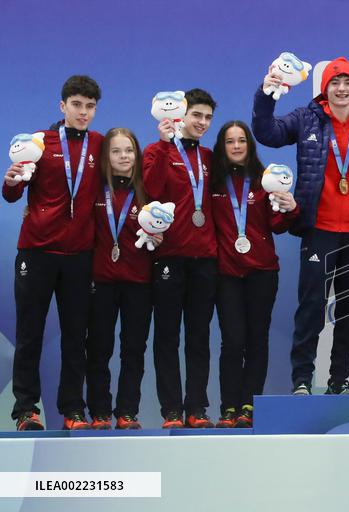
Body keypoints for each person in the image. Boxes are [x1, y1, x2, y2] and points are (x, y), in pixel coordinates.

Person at [253, 57, 349, 396]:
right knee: (311, 309)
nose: (341, 89)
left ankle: (339, 380)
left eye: (347, 83)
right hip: (318, 229)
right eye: (335, 83)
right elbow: (267, 132)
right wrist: (267, 95)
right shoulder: (307, 117)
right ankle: (302, 380)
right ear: (325, 88)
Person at [3, 75, 104, 431]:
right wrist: (12, 180)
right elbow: (12, 194)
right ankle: (26, 410)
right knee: (30, 332)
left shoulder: (99, 144)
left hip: (79, 255)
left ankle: (73, 409)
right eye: (77, 105)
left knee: (77, 336)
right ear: (62, 106)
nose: (83, 112)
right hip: (37, 250)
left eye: (90, 107)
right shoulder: (39, 143)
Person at [210, 121, 298, 427]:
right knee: (232, 341)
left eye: (241, 141)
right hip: (226, 274)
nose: (236, 146)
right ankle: (228, 408)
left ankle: (249, 405)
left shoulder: (265, 182)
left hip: (262, 272)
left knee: (256, 338)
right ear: (222, 147)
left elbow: (277, 225)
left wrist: (289, 207)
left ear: (250, 145)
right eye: (230, 142)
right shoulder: (212, 183)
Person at [142, 88, 218, 428]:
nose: (201, 123)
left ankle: (196, 408)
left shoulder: (210, 157)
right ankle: (171, 410)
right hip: (170, 258)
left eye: (207, 118)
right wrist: (162, 146)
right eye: (196, 115)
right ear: (181, 115)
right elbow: (151, 191)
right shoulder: (155, 151)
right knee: (167, 337)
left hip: (205, 259)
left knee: (199, 338)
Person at [85, 128, 155, 430]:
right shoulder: (93, 190)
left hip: (139, 282)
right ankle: (99, 412)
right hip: (101, 281)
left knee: (133, 350)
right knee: (99, 348)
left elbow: (161, 231)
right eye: (116, 151)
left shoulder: (147, 191)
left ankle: (127, 411)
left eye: (129, 150)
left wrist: (160, 236)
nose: (123, 157)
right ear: (106, 156)